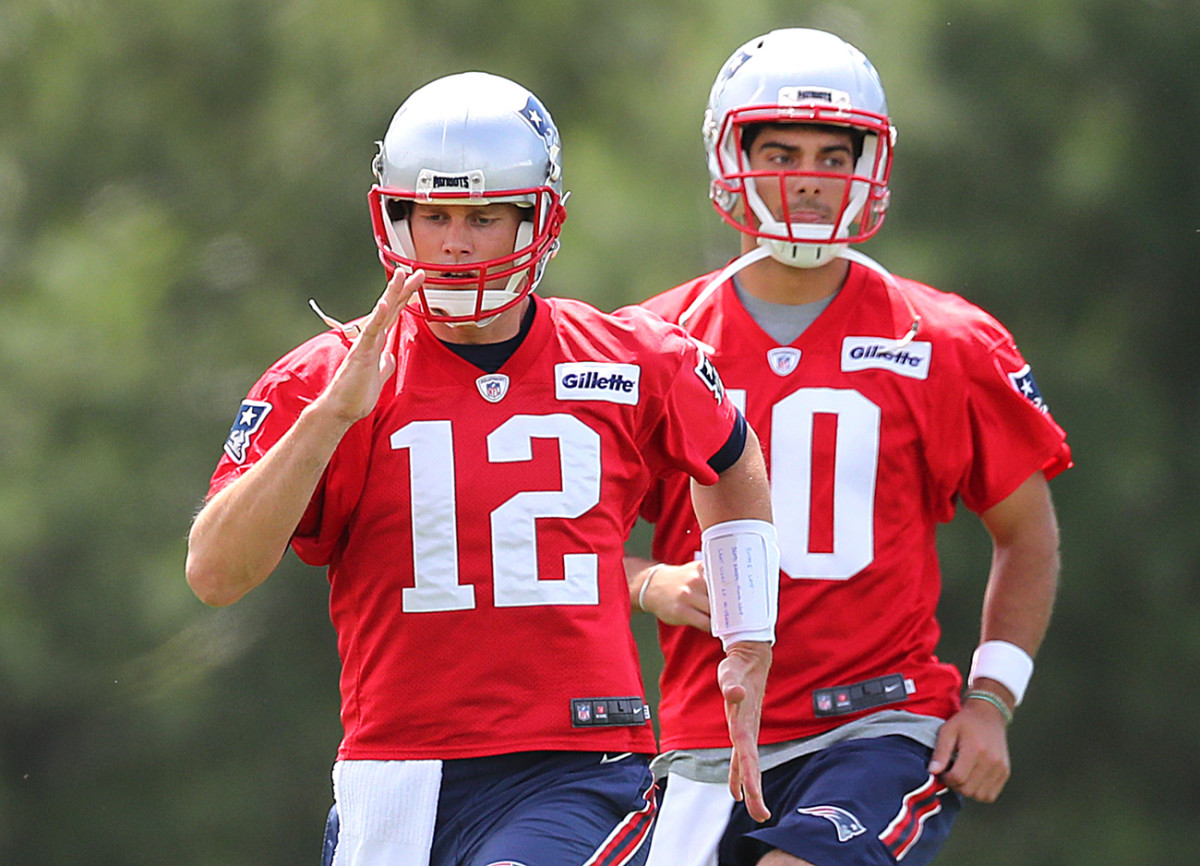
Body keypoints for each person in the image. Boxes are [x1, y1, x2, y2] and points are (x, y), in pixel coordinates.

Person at [185, 71, 780, 866]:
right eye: (434, 216)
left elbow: (732, 459)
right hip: (391, 775)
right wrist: (329, 419)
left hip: (578, 764)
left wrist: (748, 633)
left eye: (484, 217)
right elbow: (215, 573)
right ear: (397, 218)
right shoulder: (324, 376)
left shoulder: (632, 357)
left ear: (539, 218)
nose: (456, 243)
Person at [627, 28, 1072, 866]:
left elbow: (1027, 533)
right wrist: (648, 582)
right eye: (784, 150)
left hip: (877, 719)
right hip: (705, 739)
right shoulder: (654, 342)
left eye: (834, 154)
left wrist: (991, 698)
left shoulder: (945, 339)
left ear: (869, 164)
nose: (809, 179)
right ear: (733, 154)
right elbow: (553, 541)